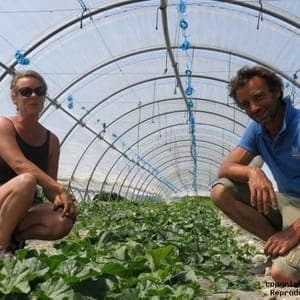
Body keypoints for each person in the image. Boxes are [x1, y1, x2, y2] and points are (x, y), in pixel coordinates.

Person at [210, 65, 300, 284]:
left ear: (276, 91)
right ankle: (278, 245)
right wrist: (252, 171)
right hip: (290, 204)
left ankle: (289, 247)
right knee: (221, 191)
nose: (254, 108)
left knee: (282, 274)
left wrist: (293, 232)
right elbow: (225, 169)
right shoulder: (258, 129)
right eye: (246, 104)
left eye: (259, 97)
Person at [0, 70, 77, 257]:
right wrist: (61, 189)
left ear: (44, 97)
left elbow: (50, 187)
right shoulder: (4, 125)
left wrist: (62, 201)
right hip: (4, 198)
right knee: (26, 181)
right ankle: (1, 248)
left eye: (39, 90)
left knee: (62, 221)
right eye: (26, 91)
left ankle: (13, 239)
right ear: (14, 98)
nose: (33, 95)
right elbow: (19, 164)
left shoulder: (52, 141)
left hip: (23, 208)